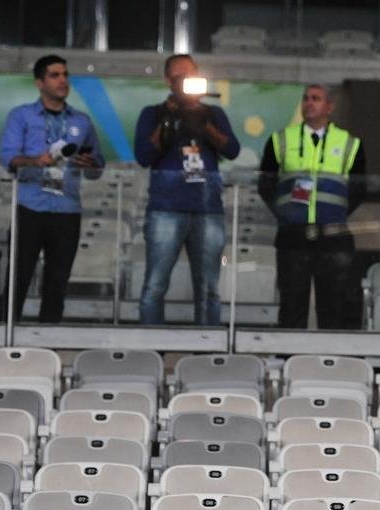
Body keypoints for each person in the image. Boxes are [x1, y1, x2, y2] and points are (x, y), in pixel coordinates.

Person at [134, 54, 241, 326]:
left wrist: (203, 124)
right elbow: (144, 155)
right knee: (154, 286)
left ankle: (206, 353)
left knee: (209, 289)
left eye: (191, 76)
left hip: (207, 209)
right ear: (168, 81)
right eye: (180, 77)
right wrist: (169, 117)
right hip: (165, 209)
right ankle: (152, 350)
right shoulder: (152, 113)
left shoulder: (213, 114)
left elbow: (232, 150)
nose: (186, 82)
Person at [0, 53, 103, 324]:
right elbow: (9, 158)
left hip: (67, 209)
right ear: (39, 83)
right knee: (18, 277)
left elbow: (97, 168)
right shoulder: (21, 116)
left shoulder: (82, 121)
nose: (63, 81)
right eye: (55, 75)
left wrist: (89, 162)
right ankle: (3, 338)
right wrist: (36, 161)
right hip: (30, 206)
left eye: (65, 75)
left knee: (57, 283)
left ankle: (47, 343)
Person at [258, 84, 366, 329]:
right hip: (293, 232)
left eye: (316, 99)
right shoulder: (280, 140)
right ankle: (289, 358)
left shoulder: (350, 143)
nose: (309, 103)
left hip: (333, 233)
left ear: (329, 106)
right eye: (306, 98)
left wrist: (336, 214)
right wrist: (285, 213)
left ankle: (331, 360)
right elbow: (265, 184)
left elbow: (360, 189)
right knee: (292, 300)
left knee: (333, 302)